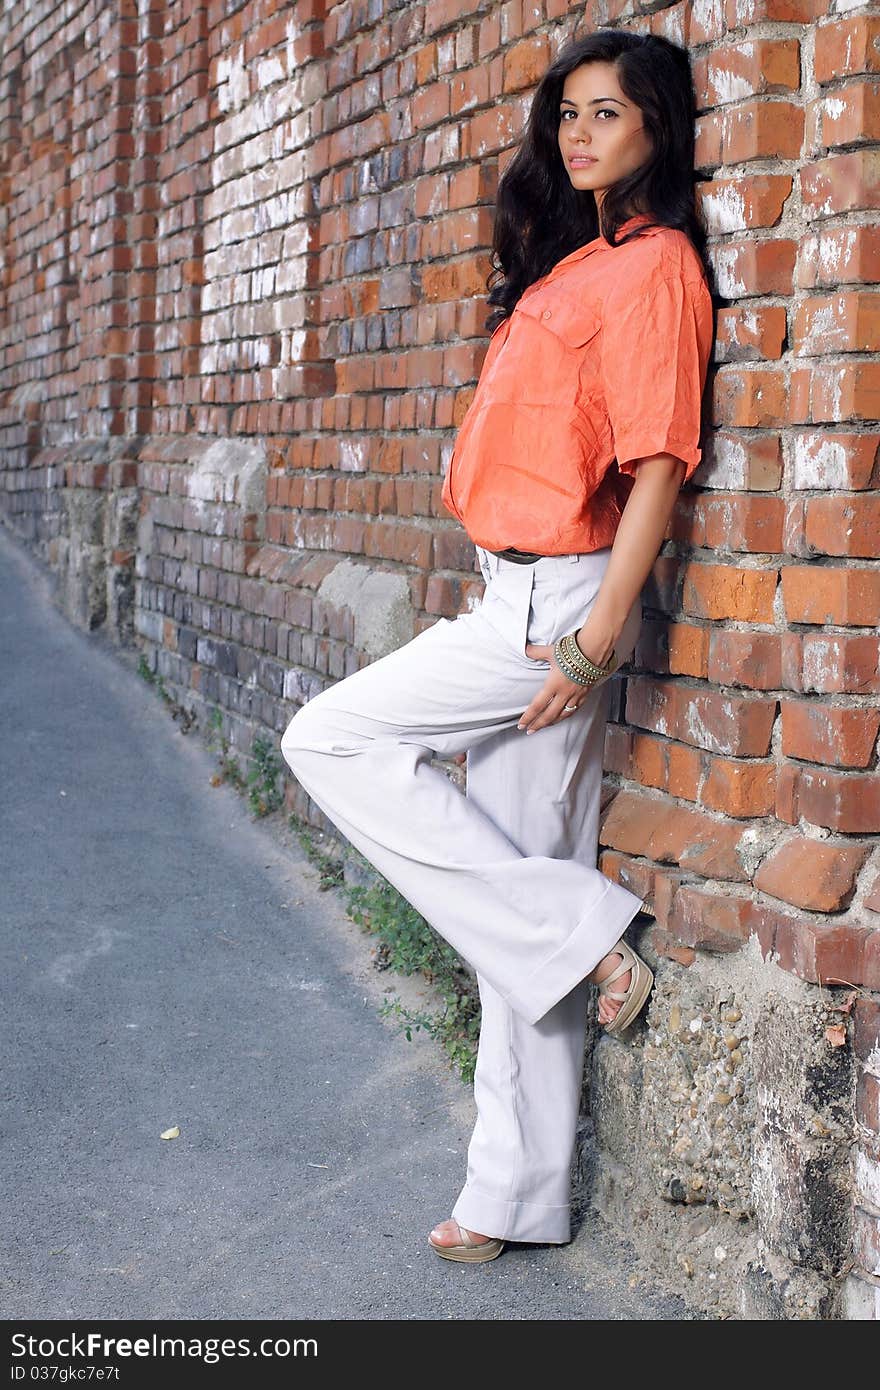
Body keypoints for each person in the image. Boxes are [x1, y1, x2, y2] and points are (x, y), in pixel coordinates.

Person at [280, 27, 716, 1264]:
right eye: (568, 112)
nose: (579, 133)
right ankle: (513, 1194)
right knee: (512, 897)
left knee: (331, 735)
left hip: (557, 606)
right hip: (510, 590)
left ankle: (578, 937)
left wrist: (596, 632)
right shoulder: (580, 260)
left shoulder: (656, 269)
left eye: (608, 114)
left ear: (655, 133)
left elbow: (657, 466)